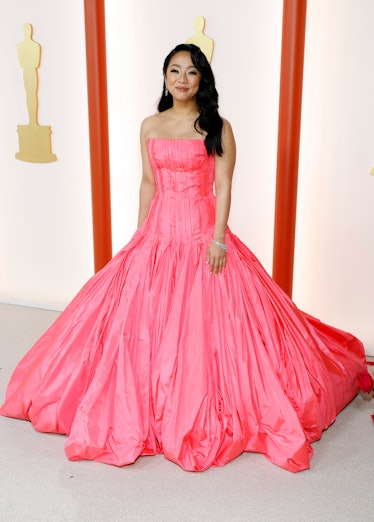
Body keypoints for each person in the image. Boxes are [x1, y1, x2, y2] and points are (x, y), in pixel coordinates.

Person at [0, 44, 368, 473]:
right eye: (174, 71)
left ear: (202, 81)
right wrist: (139, 238)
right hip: (156, 235)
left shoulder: (217, 127)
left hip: (200, 237)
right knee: (135, 327)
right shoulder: (150, 125)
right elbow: (146, 183)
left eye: (191, 73)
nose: (181, 79)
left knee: (214, 333)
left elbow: (224, 187)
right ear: (164, 77)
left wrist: (218, 241)